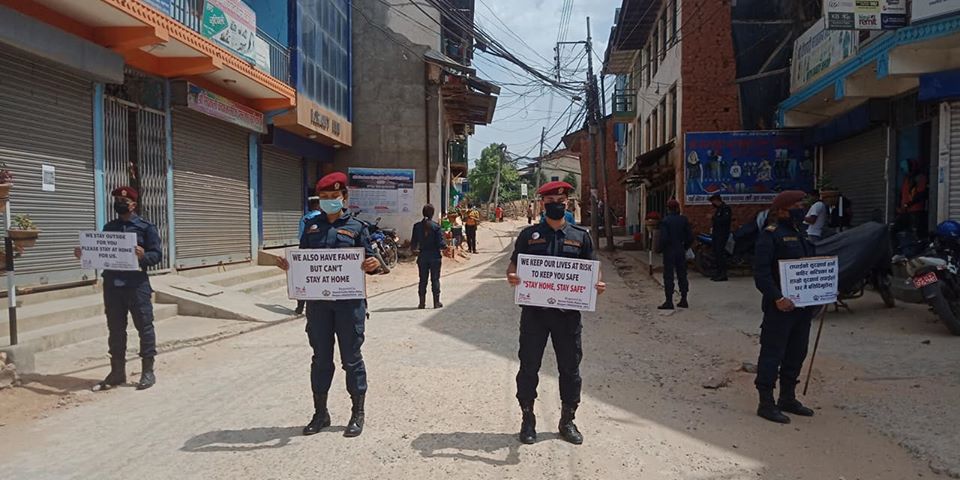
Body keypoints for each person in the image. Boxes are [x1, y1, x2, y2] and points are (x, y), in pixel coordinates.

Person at [276, 172, 382, 438]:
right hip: (319, 306)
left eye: (333, 197)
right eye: (323, 198)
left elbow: (372, 261)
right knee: (320, 359)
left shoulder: (358, 228)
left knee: (351, 359)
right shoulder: (312, 228)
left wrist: (374, 265)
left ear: (344, 197)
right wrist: (290, 266)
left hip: (349, 305)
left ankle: (357, 414)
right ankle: (320, 413)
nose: (328, 201)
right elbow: (303, 262)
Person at [506, 181, 606, 445]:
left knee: (570, 369)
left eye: (560, 202)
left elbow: (592, 268)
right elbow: (513, 265)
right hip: (535, 315)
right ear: (542, 205)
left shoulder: (580, 236)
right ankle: (527, 418)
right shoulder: (528, 236)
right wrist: (513, 277)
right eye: (550, 202)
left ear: (567, 203)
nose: (556, 206)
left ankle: (568, 420)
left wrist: (597, 285)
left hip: (567, 316)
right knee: (529, 367)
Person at [74, 186, 163, 392]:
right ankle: (117, 372)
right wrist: (85, 254)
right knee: (115, 329)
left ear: (133, 204)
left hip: (136, 285)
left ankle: (147, 371)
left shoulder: (146, 228)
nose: (120, 204)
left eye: (124, 201)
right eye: (116, 200)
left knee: (145, 327)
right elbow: (102, 253)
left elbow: (157, 256)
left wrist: (143, 256)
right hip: (113, 286)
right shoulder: (109, 227)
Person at [752, 190, 817, 424]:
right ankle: (766, 402)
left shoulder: (802, 235)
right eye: (796, 205)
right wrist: (777, 298)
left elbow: (810, 269)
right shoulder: (770, 236)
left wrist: (824, 291)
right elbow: (761, 274)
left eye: (802, 204)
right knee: (772, 353)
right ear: (781, 210)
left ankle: (787, 398)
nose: (801, 209)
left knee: (797, 352)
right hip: (779, 308)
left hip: (802, 308)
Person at [656, 199, 693, 310]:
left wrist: (660, 249)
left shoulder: (665, 221)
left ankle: (669, 301)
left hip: (669, 251)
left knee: (668, 276)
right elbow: (690, 237)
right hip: (680, 250)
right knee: (682, 274)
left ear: (668, 209)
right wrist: (684, 247)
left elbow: (664, 238)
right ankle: (684, 299)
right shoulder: (683, 220)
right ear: (678, 208)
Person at [411, 205, 445, 309]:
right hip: (435, 256)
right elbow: (441, 244)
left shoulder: (417, 226)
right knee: (435, 279)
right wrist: (445, 246)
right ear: (432, 214)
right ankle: (436, 302)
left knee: (422, 280)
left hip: (422, 256)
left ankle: (422, 303)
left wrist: (416, 251)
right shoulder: (436, 227)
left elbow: (413, 243)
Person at [295, 196, 323, 316]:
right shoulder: (318, 218)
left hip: (303, 248)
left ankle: (299, 306)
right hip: (315, 249)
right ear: (317, 205)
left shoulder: (304, 218)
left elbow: (300, 234)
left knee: (303, 278)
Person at [709, 193, 732, 281]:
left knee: (720, 254)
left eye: (713, 201)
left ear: (717, 200)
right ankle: (718, 273)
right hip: (716, 234)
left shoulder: (725, 209)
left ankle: (723, 274)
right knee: (716, 254)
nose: (712, 204)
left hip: (722, 235)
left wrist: (713, 218)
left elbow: (725, 221)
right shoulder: (718, 209)